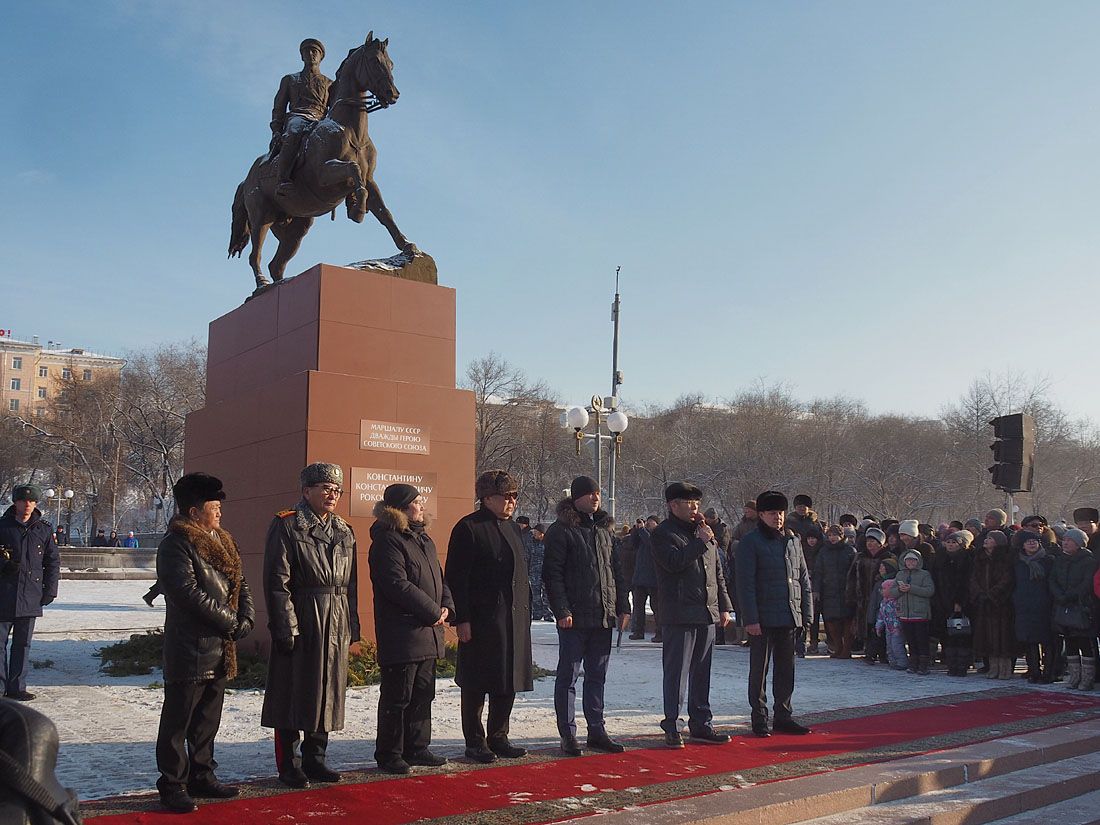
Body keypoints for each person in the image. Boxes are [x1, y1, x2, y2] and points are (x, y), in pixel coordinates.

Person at [154, 473, 255, 813]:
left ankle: (202, 775)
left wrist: (248, 616)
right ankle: (172, 783)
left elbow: (241, 584)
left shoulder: (223, 539)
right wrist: (231, 621)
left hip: (219, 647)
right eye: (214, 507)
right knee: (178, 721)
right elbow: (187, 593)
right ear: (194, 512)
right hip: (190, 646)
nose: (220, 513)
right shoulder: (176, 544)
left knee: (207, 720)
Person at [262, 463, 360, 788]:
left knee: (327, 690)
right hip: (303, 616)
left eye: (336, 489)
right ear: (307, 491)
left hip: (336, 617)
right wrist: (286, 625)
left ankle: (316, 758)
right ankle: (290, 764)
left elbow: (352, 586)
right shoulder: (288, 525)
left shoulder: (345, 531)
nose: (332, 494)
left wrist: (351, 627)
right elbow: (278, 581)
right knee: (293, 692)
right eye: (325, 488)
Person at [445, 470, 533, 764]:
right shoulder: (468, 528)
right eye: (504, 496)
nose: (511, 502)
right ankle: (475, 741)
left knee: (507, 679)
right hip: (482, 620)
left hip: (512, 619)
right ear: (486, 498)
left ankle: (499, 736)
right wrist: (462, 619)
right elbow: (457, 578)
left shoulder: (512, 529)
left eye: (514, 496)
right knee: (476, 682)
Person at [368, 483, 454, 774]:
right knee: (398, 696)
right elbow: (396, 583)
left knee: (422, 693)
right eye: (417, 501)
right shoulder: (387, 539)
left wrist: (446, 607)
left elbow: (439, 579)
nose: (422, 505)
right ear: (402, 507)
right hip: (402, 632)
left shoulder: (424, 540)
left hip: (428, 630)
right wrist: (432, 611)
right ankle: (390, 753)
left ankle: (417, 747)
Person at [542, 476, 631, 756]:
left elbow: (616, 570)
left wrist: (623, 605)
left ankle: (597, 730)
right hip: (575, 617)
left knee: (597, 675)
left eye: (598, 493)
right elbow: (552, 574)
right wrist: (562, 610)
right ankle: (568, 734)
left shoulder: (605, 529)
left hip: (602, 616)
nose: (595, 497)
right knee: (568, 676)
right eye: (590, 493)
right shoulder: (561, 530)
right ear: (576, 498)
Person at [651, 482, 733, 747]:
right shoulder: (663, 533)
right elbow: (673, 563)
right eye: (689, 503)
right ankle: (672, 725)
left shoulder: (703, 533)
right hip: (679, 613)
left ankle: (701, 723)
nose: (695, 507)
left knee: (702, 672)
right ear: (673, 505)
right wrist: (699, 542)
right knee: (677, 673)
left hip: (705, 612)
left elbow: (716, 573)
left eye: (697, 503)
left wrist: (723, 605)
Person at [735, 490, 813, 738]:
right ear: (761, 515)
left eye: (780, 513)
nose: (777, 518)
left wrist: (806, 614)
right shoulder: (750, 542)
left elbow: (803, 580)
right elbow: (745, 583)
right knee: (759, 669)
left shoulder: (792, 541)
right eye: (772, 513)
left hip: (788, 615)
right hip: (763, 617)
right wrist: (751, 618)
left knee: (786, 669)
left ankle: (783, 715)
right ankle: (759, 717)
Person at [0, 485, 60, 702]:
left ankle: (17, 686)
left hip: (30, 594)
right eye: (22, 501)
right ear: (15, 502)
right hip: (4, 594)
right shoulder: (3, 526)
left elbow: (52, 562)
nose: (26, 505)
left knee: (23, 644)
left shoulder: (42, 529)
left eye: (31, 502)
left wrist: (50, 591)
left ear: (35, 504)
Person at [271, 39, 333, 196]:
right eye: (307, 51)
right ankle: (282, 179)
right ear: (302, 56)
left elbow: (337, 106)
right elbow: (279, 107)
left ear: (321, 57)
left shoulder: (329, 83)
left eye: (315, 52)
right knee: (294, 132)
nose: (311, 54)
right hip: (298, 116)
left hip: (320, 120)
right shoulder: (290, 80)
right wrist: (277, 130)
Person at [1050, 527, 1097, 690]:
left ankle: (1087, 678)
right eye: (1065, 540)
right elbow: (1053, 579)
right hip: (1063, 606)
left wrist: (1070, 595)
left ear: (1079, 543)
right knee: (1069, 641)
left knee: (1084, 642)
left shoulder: (1088, 560)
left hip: (1081, 606)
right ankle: (1074, 676)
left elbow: (1087, 583)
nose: (1066, 543)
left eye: (1070, 540)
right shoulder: (1060, 559)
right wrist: (1059, 595)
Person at [969, 530, 1015, 679]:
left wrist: (993, 594)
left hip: (1001, 603)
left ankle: (1005, 668)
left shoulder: (1005, 559)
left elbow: (1007, 580)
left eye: (990, 538)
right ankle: (993, 667)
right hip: (984, 603)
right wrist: (980, 593)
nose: (986, 541)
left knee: (1003, 636)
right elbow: (974, 578)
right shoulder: (979, 558)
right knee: (988, 636)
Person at [846, 526, 894, 662]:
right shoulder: (860, 557)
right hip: (862, 598)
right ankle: (869, 651)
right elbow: (851, 578)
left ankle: (883, 652)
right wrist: (851, 595)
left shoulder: (888, 558)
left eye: (873, 541)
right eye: (868, 541)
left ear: (880, 543)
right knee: (866, 624)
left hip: (881, 597)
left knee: (881, 625)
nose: (870, 544)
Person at [1012, 530, 1054, 684]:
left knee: (1047, 641)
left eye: (1034, 541)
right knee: (1029, 641)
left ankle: (1048, 672)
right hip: (1024, 606)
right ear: (1022, 545)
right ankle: (1033, 670)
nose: (1031, 543)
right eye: (1028, 541)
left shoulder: (1048, 560)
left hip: (1044, 606)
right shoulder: (1019, 563)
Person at [937, 530, 974, 677]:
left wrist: (960, 601)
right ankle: (950, 664)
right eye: (949, 542)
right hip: (943, 600)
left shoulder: (966, 559)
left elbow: (965, 582)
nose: (951, 545)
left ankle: (962, 664)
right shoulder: (940, 558)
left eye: (954, 543)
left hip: (961, 601)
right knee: (947, 635)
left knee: (961, 635)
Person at [814, 524, 855, 658]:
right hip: (829, 591)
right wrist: (816, 590)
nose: (832, 537)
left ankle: (847, 649)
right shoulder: (823, 551)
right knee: (832, 622)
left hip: (846, 591)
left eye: (835, 535)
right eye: (830, 535)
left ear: (841, 536)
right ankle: (838, 647)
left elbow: (855, 572)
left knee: (847, 621)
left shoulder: (850, 551)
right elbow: (818, 572)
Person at [894, 549, 935, 675]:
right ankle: (913, 662)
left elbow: (929, 591)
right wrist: (900, 590)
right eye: (908, 560)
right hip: (905, 614)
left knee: (921, 640)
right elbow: (892, 592)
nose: (910, 562)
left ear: (918, 561)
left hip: (920, 613)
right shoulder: (900, 574)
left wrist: (911, 589)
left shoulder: (924, 574)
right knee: (911, 640)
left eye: (913, 560)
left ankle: (924, 664)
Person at [629, 516, 660, 641]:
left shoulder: (659, 535)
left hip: (654, 578)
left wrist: (643, 531)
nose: (648, 524)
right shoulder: (642, 535)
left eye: (651, 523)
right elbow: (633, 544)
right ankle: (638, 631)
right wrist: (636, 530)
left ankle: (660, 633)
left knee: (656, 607)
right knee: (638, 606)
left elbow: (651, 544)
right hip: (640, 577)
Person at [875, 580, 907, 670]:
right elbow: (881, 616)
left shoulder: (896, 602)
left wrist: (899, 626)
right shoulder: (884, 602)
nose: (881, 591)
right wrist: (878, 626)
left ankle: (902, 662)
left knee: (897, 645)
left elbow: (900, 614)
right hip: (888, 628)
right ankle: (892, 661)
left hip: (897, 628)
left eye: (884, 589)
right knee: (889, 646)